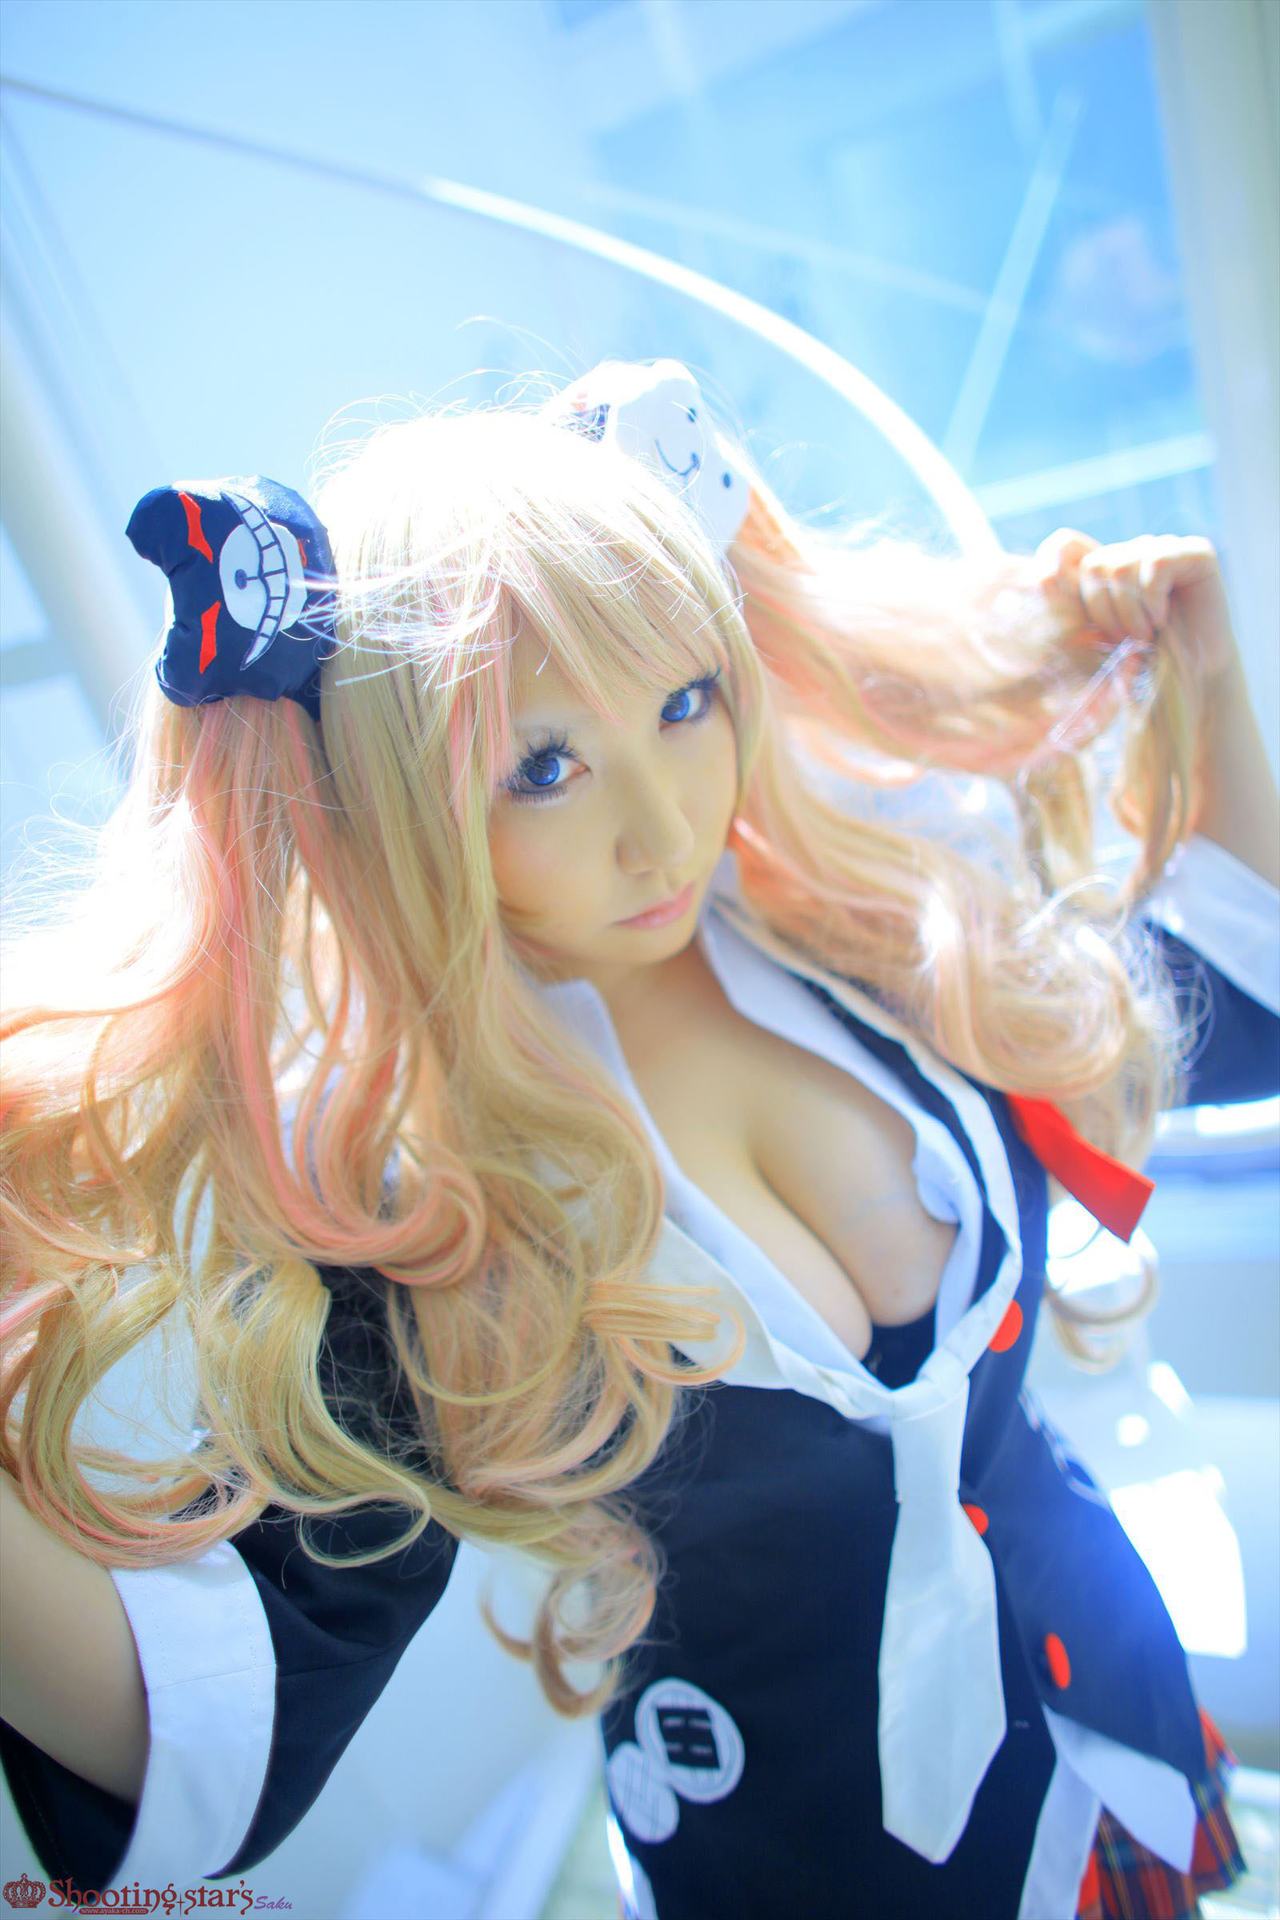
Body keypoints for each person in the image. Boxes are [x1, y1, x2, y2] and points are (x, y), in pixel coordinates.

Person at [1, 357, 1277, 1920]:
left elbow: (1231, 1007)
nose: (666, 826)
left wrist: (1211, 677)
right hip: (795, 1861)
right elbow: (207, 1736)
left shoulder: (856, 925)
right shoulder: (440, 1223)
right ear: (409, 817)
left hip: (1106, 1727)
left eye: (683, 702)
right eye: (542, 768)